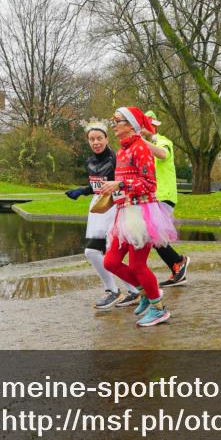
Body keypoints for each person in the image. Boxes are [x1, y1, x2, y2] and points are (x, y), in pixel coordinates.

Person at [100, 107, 179, 327]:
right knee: (111, 261)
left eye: (118, 121)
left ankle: (158, 308)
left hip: (142, 214)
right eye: (113, 120)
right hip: (124, 212)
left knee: (137, 265)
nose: (114, 124)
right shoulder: (121, 151)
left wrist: (121, 184)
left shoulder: (140, 147)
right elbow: (123, 184)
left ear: (131, 124)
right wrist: (112, 195)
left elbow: (150, 184)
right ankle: (146, 293)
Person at [64, 121, 144, 309]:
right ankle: (122, 290)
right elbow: (97, 185)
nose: (96, 142)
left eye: (99, 138)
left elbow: (127, 180)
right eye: (92, 139)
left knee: (105, 252)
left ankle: (128, 290)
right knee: (94, 252)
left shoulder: (117, 157)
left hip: (117, 206)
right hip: (99, 208)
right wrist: (83, 191)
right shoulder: (89, 161)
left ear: (107, 138)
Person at [139, 110, 191, 288]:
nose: (148, 128)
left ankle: (178, 262)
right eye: (145, 126)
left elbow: (162, 154)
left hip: (164, 195)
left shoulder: (163, 141)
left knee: (153, 235)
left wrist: (141, 141)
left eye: (150, 125)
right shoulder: (141, 146)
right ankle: (176, 265)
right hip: (149, 197)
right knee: (152, 236)